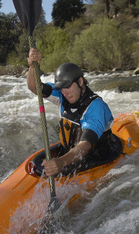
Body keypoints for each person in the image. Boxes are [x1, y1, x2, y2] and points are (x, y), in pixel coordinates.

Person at [27, 48, 122, 177]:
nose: (64, 92)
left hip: (97, 156)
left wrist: (61, 162)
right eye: (61, 88)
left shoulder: (95, 107)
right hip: (72, 151)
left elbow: (85, 145)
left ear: (80, 82)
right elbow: (35, 88)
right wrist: (33, 66)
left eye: (67, 86)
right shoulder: (62, 95)